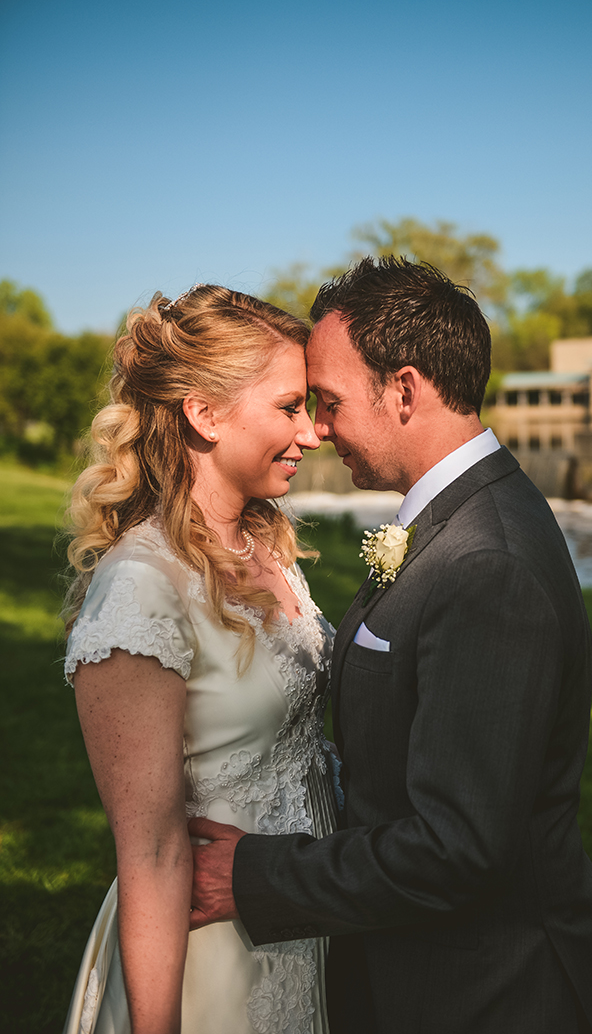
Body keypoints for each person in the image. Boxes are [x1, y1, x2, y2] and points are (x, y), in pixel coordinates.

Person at [189, 257, 592, 1033]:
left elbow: (457, 849)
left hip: (491, 992)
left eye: (329, 402)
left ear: (404, 389)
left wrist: (252, 875)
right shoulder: (459, 522)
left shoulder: (485, 561)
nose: (317, 431)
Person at [62, 284, 338, 1034]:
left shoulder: (267, 547)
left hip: (295, 921)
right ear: (204, 413)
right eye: (289, 407)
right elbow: (149, 852)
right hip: (208, 957)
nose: (312, 433)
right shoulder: (139, 589)